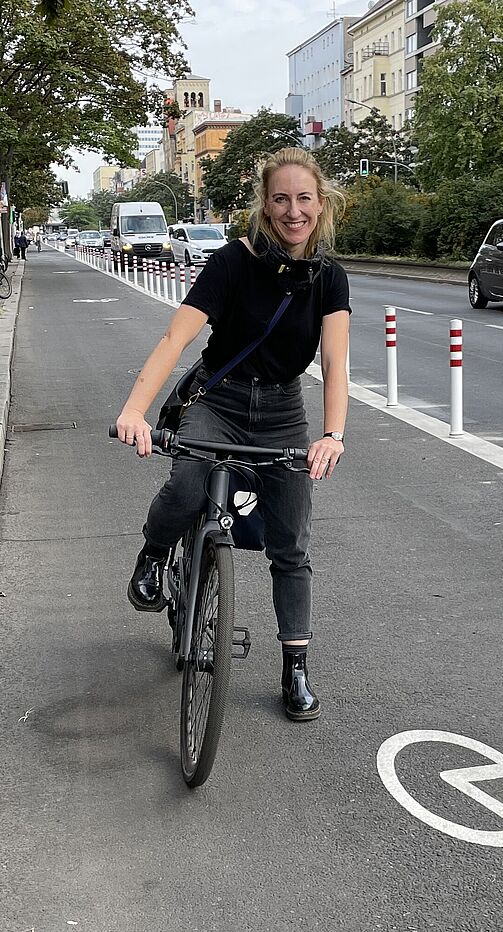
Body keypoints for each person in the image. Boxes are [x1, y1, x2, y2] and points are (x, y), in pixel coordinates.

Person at [113, 148, 350, 722]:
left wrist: (332, 435)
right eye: (281, 199)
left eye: (304, 199)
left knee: (290, 541)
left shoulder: (329, 277)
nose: (293, 211)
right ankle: (155, 553)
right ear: (264, 206)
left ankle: (295, 667)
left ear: (321, 205)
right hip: (218, 400)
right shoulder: (230, 263)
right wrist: (135, 411)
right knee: (189, 480)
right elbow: (176, 339)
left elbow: (337, 366)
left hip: (282, 412)